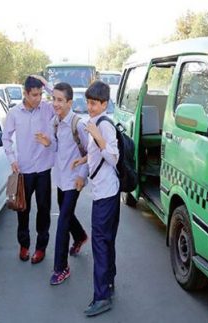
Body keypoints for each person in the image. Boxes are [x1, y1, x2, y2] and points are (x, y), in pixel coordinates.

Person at [77, 81, 120, 317]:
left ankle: (102, 296)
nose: (90, 107)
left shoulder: (104, 126)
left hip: (106, 194)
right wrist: (83, 160)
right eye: (89, 103)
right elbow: (98, 155)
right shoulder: (96, 123)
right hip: (105, 191)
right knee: (106, 241)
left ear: (104, 104)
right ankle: (109, 284)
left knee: (101, 244)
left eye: (94, 103)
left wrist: (97, 136)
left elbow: (113, 156)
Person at [2, 75, 55, 264]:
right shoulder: (14, 113)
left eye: (40, 94)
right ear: (25, 93)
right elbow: (6, 138)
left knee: (43, 209)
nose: (38, 98)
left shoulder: (48, 109)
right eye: (34, 95)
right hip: (24, 169)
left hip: (43, 169)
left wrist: (46, 84)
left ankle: (41, 248)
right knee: (23, 210)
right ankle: (24, 245)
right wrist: (12, 159)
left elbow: (60, 99)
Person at [45, 82, 89, 285]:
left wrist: (82, 175)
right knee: (66, 213)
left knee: (62, 223)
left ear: (70, 102)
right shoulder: (55, 122)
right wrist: (47, 143)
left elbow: (91, 153)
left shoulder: (78, 124)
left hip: (74, 180)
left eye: (60, 100)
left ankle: (61, 268)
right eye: (54, 99)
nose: (55, 103)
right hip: (61, 179)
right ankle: (80, 236)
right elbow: (56, 147)